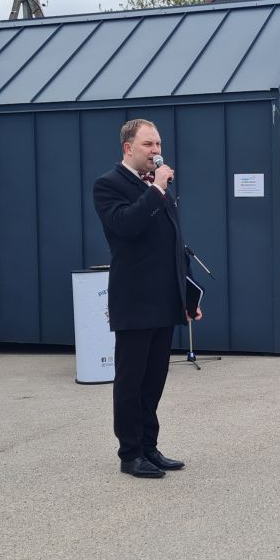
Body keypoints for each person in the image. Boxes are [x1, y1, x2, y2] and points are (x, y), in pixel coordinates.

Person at [92, 119, 201, 479]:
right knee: (131, 381)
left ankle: (150, 447)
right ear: (128, 148)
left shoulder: (159, 188)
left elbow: (173, 244)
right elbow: (126, 225)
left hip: (164, 299)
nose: (156, 151)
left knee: (154, 380)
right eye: (148, 145)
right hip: (135, 300)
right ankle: (130, 454)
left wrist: (187, 296)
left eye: (157, 144)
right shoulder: (109, 185)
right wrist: (155, 190)